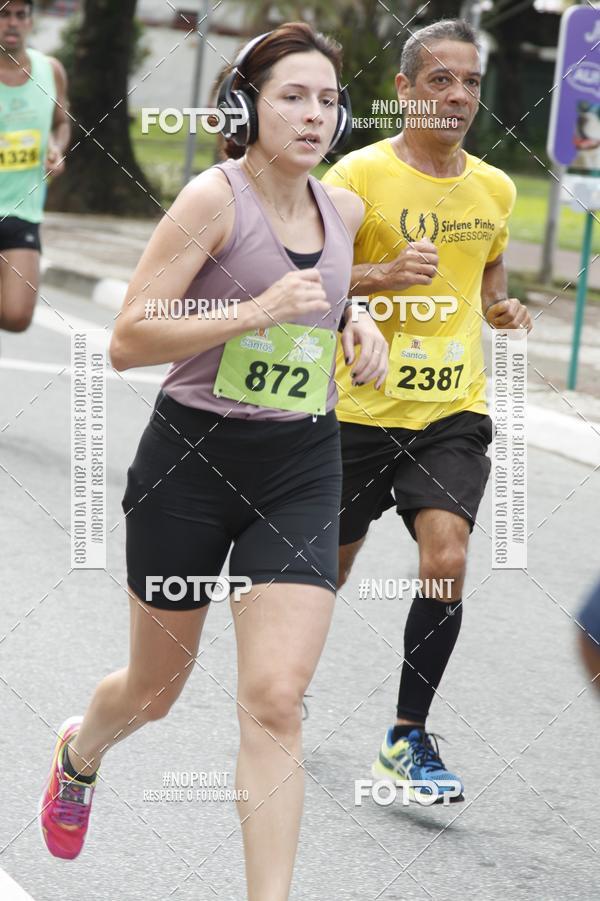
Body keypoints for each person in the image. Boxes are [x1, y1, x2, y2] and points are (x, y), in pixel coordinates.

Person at [39, 22, 387, 900]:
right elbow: (127, 340)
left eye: (328, 100)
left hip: (302, 462)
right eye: (293, 97)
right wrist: (253, 309)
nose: (314, 115)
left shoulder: (341, 209)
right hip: (190, 463)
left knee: (275, 698)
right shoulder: (211, 200)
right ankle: (82, 751)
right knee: (156, 692)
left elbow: (330, 296)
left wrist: (359, 321)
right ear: (247, 106)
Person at [322, 19, 532, 803]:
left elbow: (490, 269)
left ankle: (406, 738)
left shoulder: (495, 187)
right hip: (357, 411)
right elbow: (312, 279)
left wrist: (500, 307)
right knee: (324, 576)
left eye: (471, 82)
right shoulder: (357, 177)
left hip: (452, 412)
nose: (459, 96)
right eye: (440, 80)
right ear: (404, 90)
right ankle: (278, 686)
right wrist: (379, 276)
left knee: (446, 561)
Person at [0, 0, 70, 333]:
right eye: (2, 15)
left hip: (22, 210)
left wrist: (56, 146)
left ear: (30, 21)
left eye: (19, 15)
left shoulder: (50, 71)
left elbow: (61, 121)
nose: (11, 23)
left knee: (16, 316)